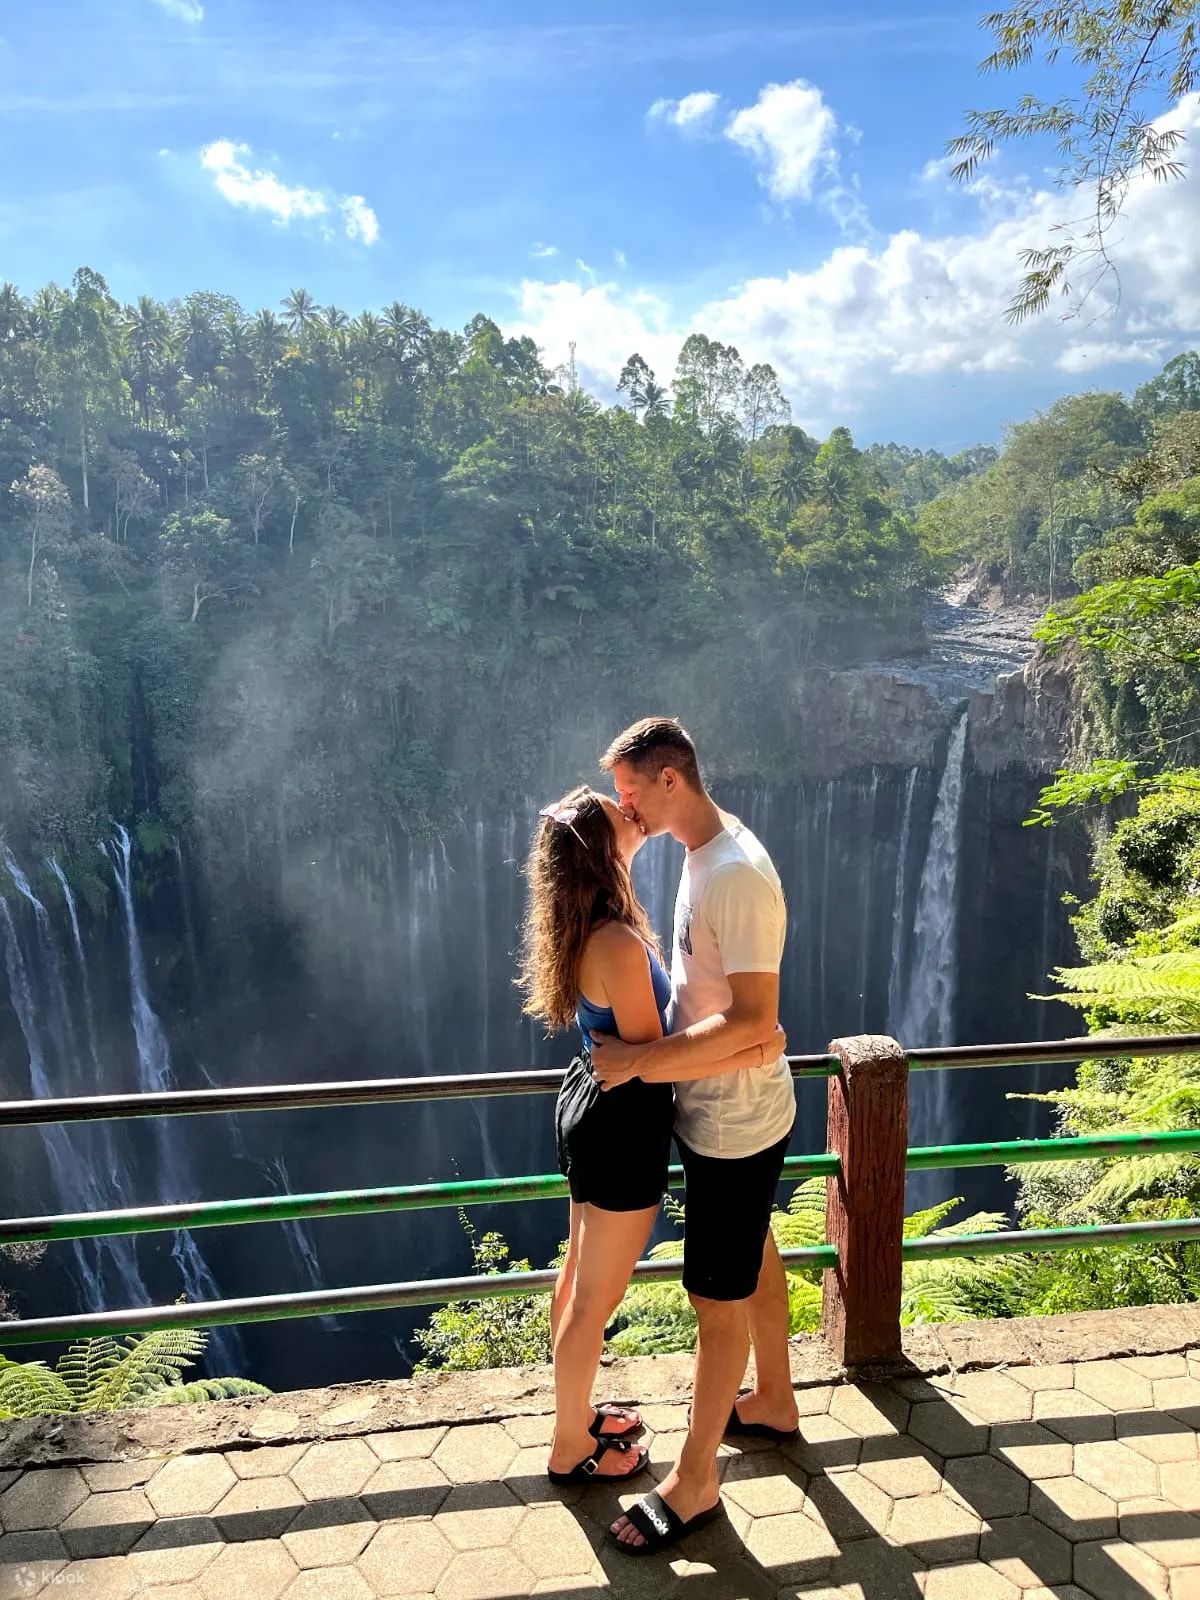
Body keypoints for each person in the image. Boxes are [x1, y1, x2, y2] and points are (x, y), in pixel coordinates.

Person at [516, 785, 780, 1488]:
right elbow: (651, 1057)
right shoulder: (617, 943)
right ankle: (570, 1446)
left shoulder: (582, 926)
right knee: (593, 1299)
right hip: (623, 1129)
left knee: (577, 1282)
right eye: (620, 817)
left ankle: (575, 1416)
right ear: (603, 856)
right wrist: (753, 1048)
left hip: (590, 1107)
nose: (633, 816)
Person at [590, 717, 799, 1556]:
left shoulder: (735, 875)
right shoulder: (699, 852)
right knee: (757, 1250)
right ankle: (775, 1401)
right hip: (726, 1103)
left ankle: (696, 1480)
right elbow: (729, 1008)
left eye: (632, 791)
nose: (623, 804)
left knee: (716, 1300)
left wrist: (640, 1061)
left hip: (734, 1124)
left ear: (670, 780)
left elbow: (755, 1018)